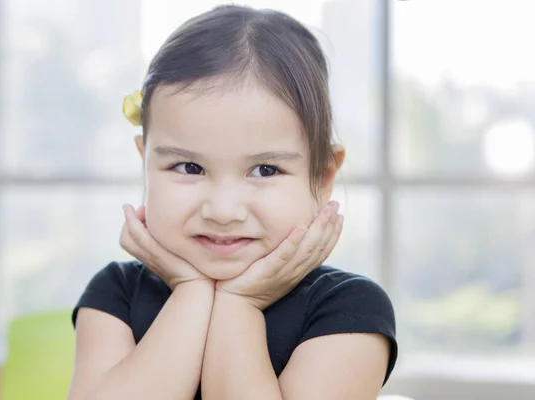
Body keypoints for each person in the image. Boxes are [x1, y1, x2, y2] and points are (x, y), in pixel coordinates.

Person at [68, 5, 397, 400]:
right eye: (189, 167)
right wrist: (191, 291)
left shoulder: (348, 310)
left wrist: (240, 303)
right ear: (145, 161)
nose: (223, 211)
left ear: (323, 176)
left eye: (265, 171)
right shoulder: (116, 293)